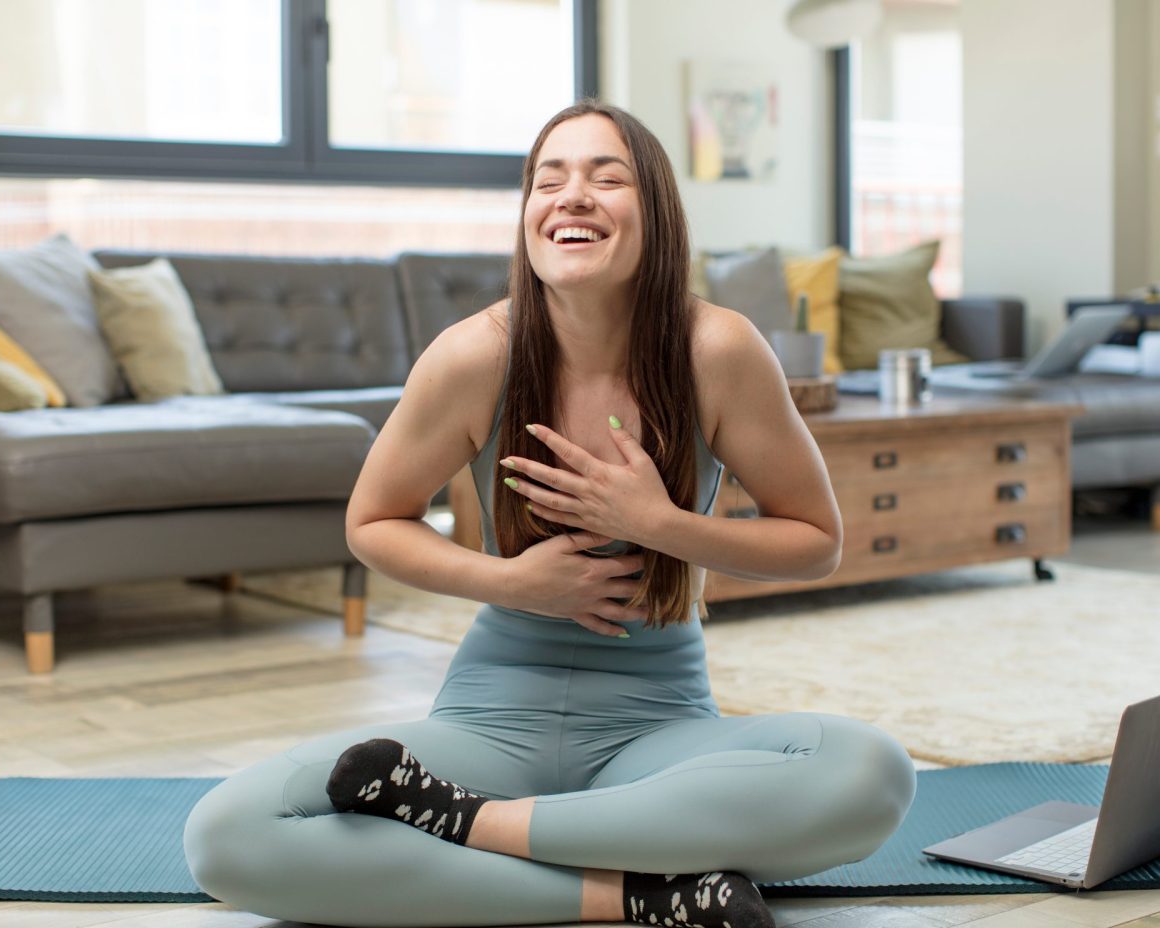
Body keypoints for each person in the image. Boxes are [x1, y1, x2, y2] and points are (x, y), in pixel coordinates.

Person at [183, 100, 916, 928]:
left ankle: (467, 827)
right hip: (491, 720)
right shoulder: (475, 353)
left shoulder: (719, 349)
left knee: (871, 773)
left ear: (658, 215)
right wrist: (514, 582)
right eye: (548, 179)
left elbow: (815, 543)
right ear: (528, 215)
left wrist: (657, 522)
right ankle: (632, 893)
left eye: (608, 177)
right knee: (229, 834)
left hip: (657, 724)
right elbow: (374, 521)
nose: (572, 195)